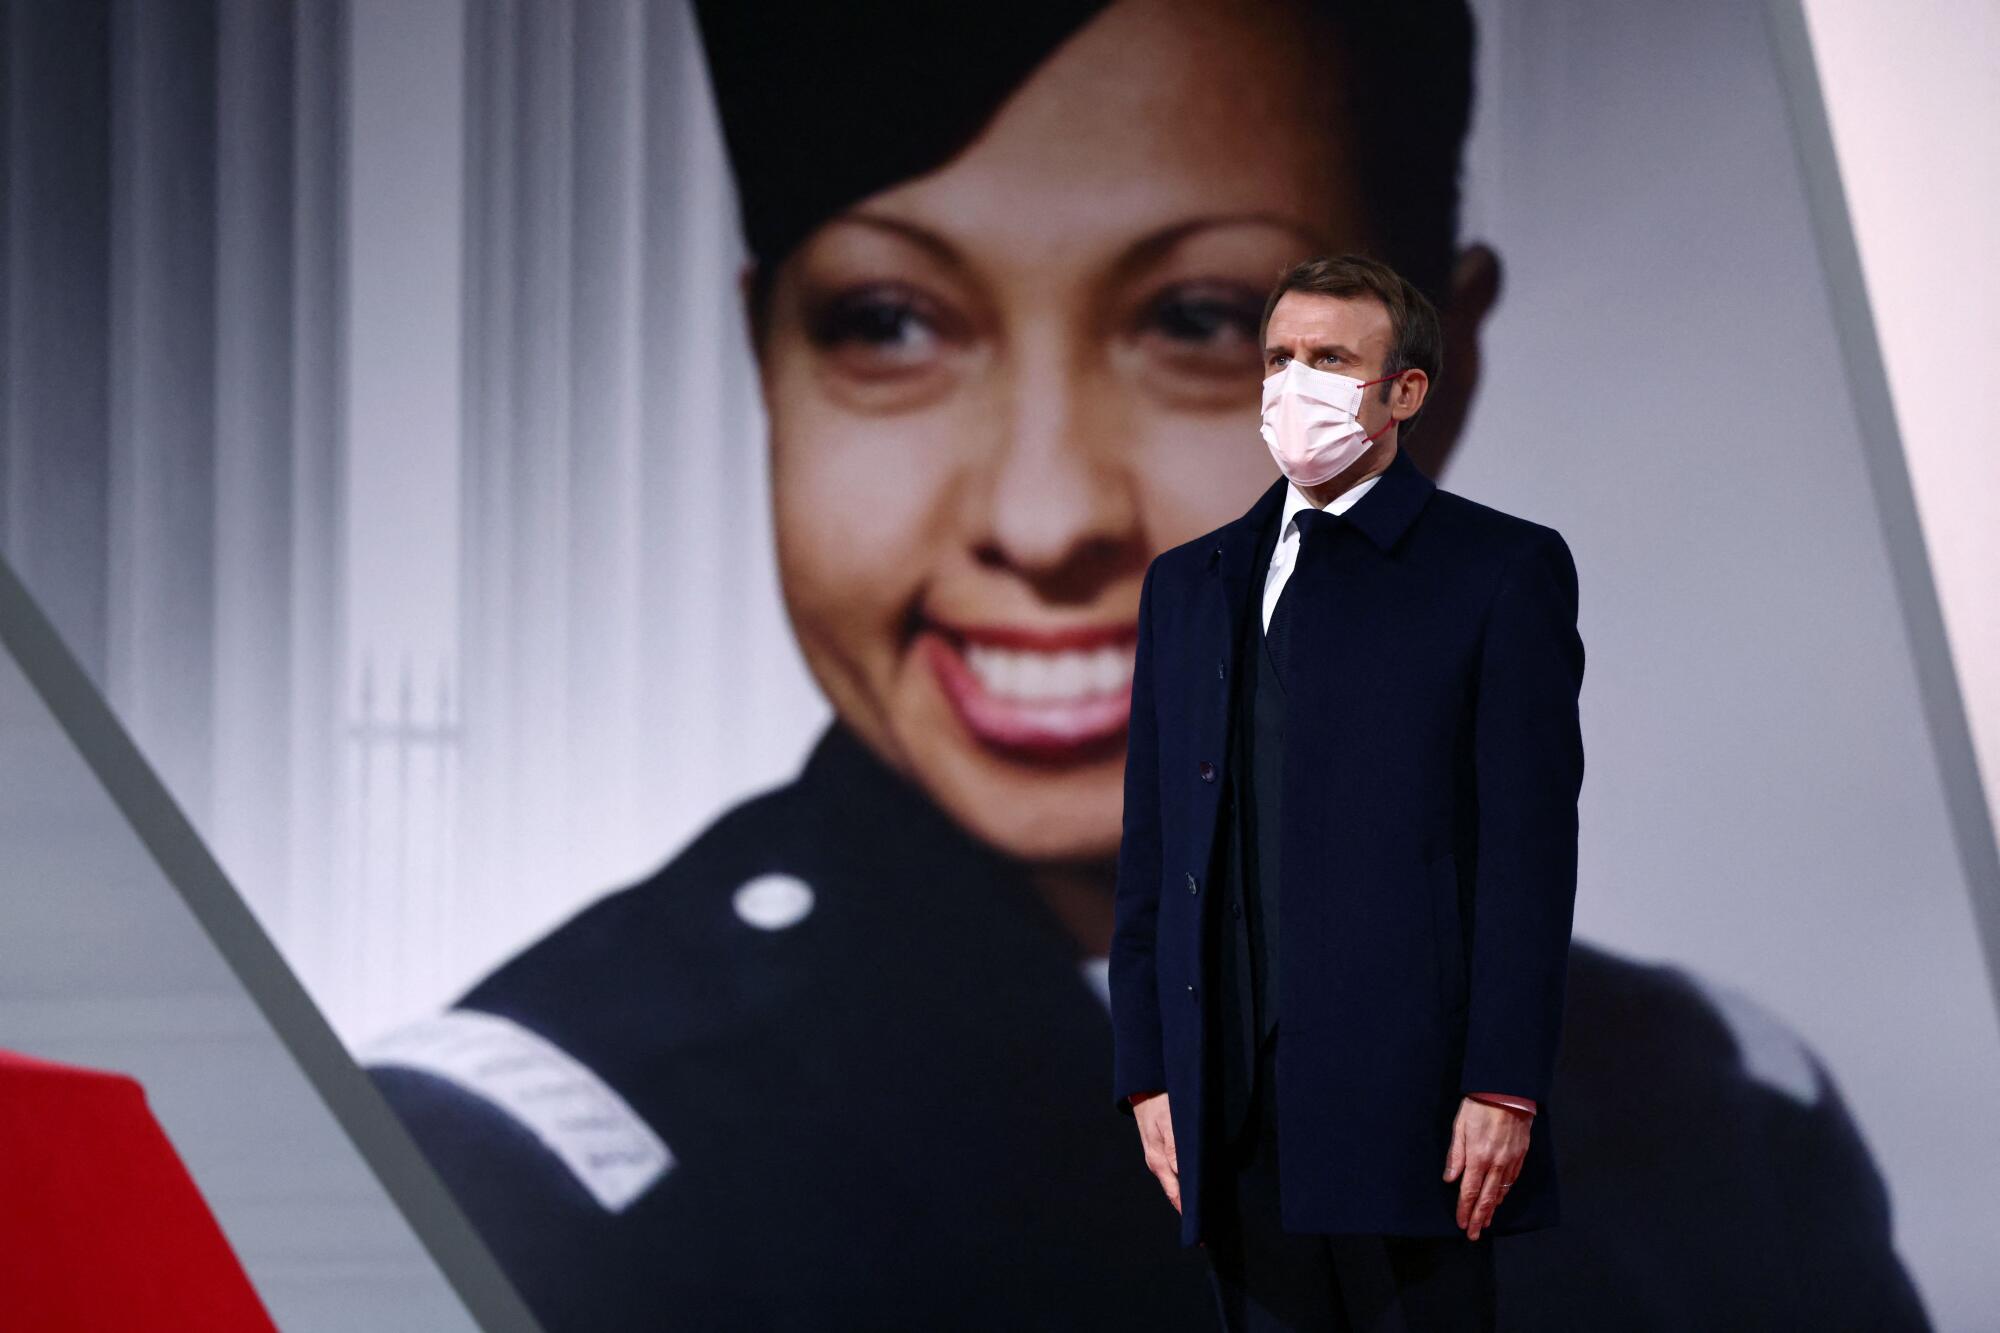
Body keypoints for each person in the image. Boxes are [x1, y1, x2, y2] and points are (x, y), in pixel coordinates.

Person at [366, 2, 1932, 1329]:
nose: (1042, 516)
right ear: (770, 355)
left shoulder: (1710, 1124)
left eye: (1202, 322)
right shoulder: (509, 1179)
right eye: (891, 325)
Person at [1111, 253, 1578, 1332]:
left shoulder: (1494, 569)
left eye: (1328, 359)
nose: (1293, 384)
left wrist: (1503, 1082)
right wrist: (1146, 1070)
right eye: (1278, 357)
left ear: (1403, 391)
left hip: (1410, 1102)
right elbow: (1153, 846)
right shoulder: (1190, 582)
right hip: (1227, 1100)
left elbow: (1525, 848)